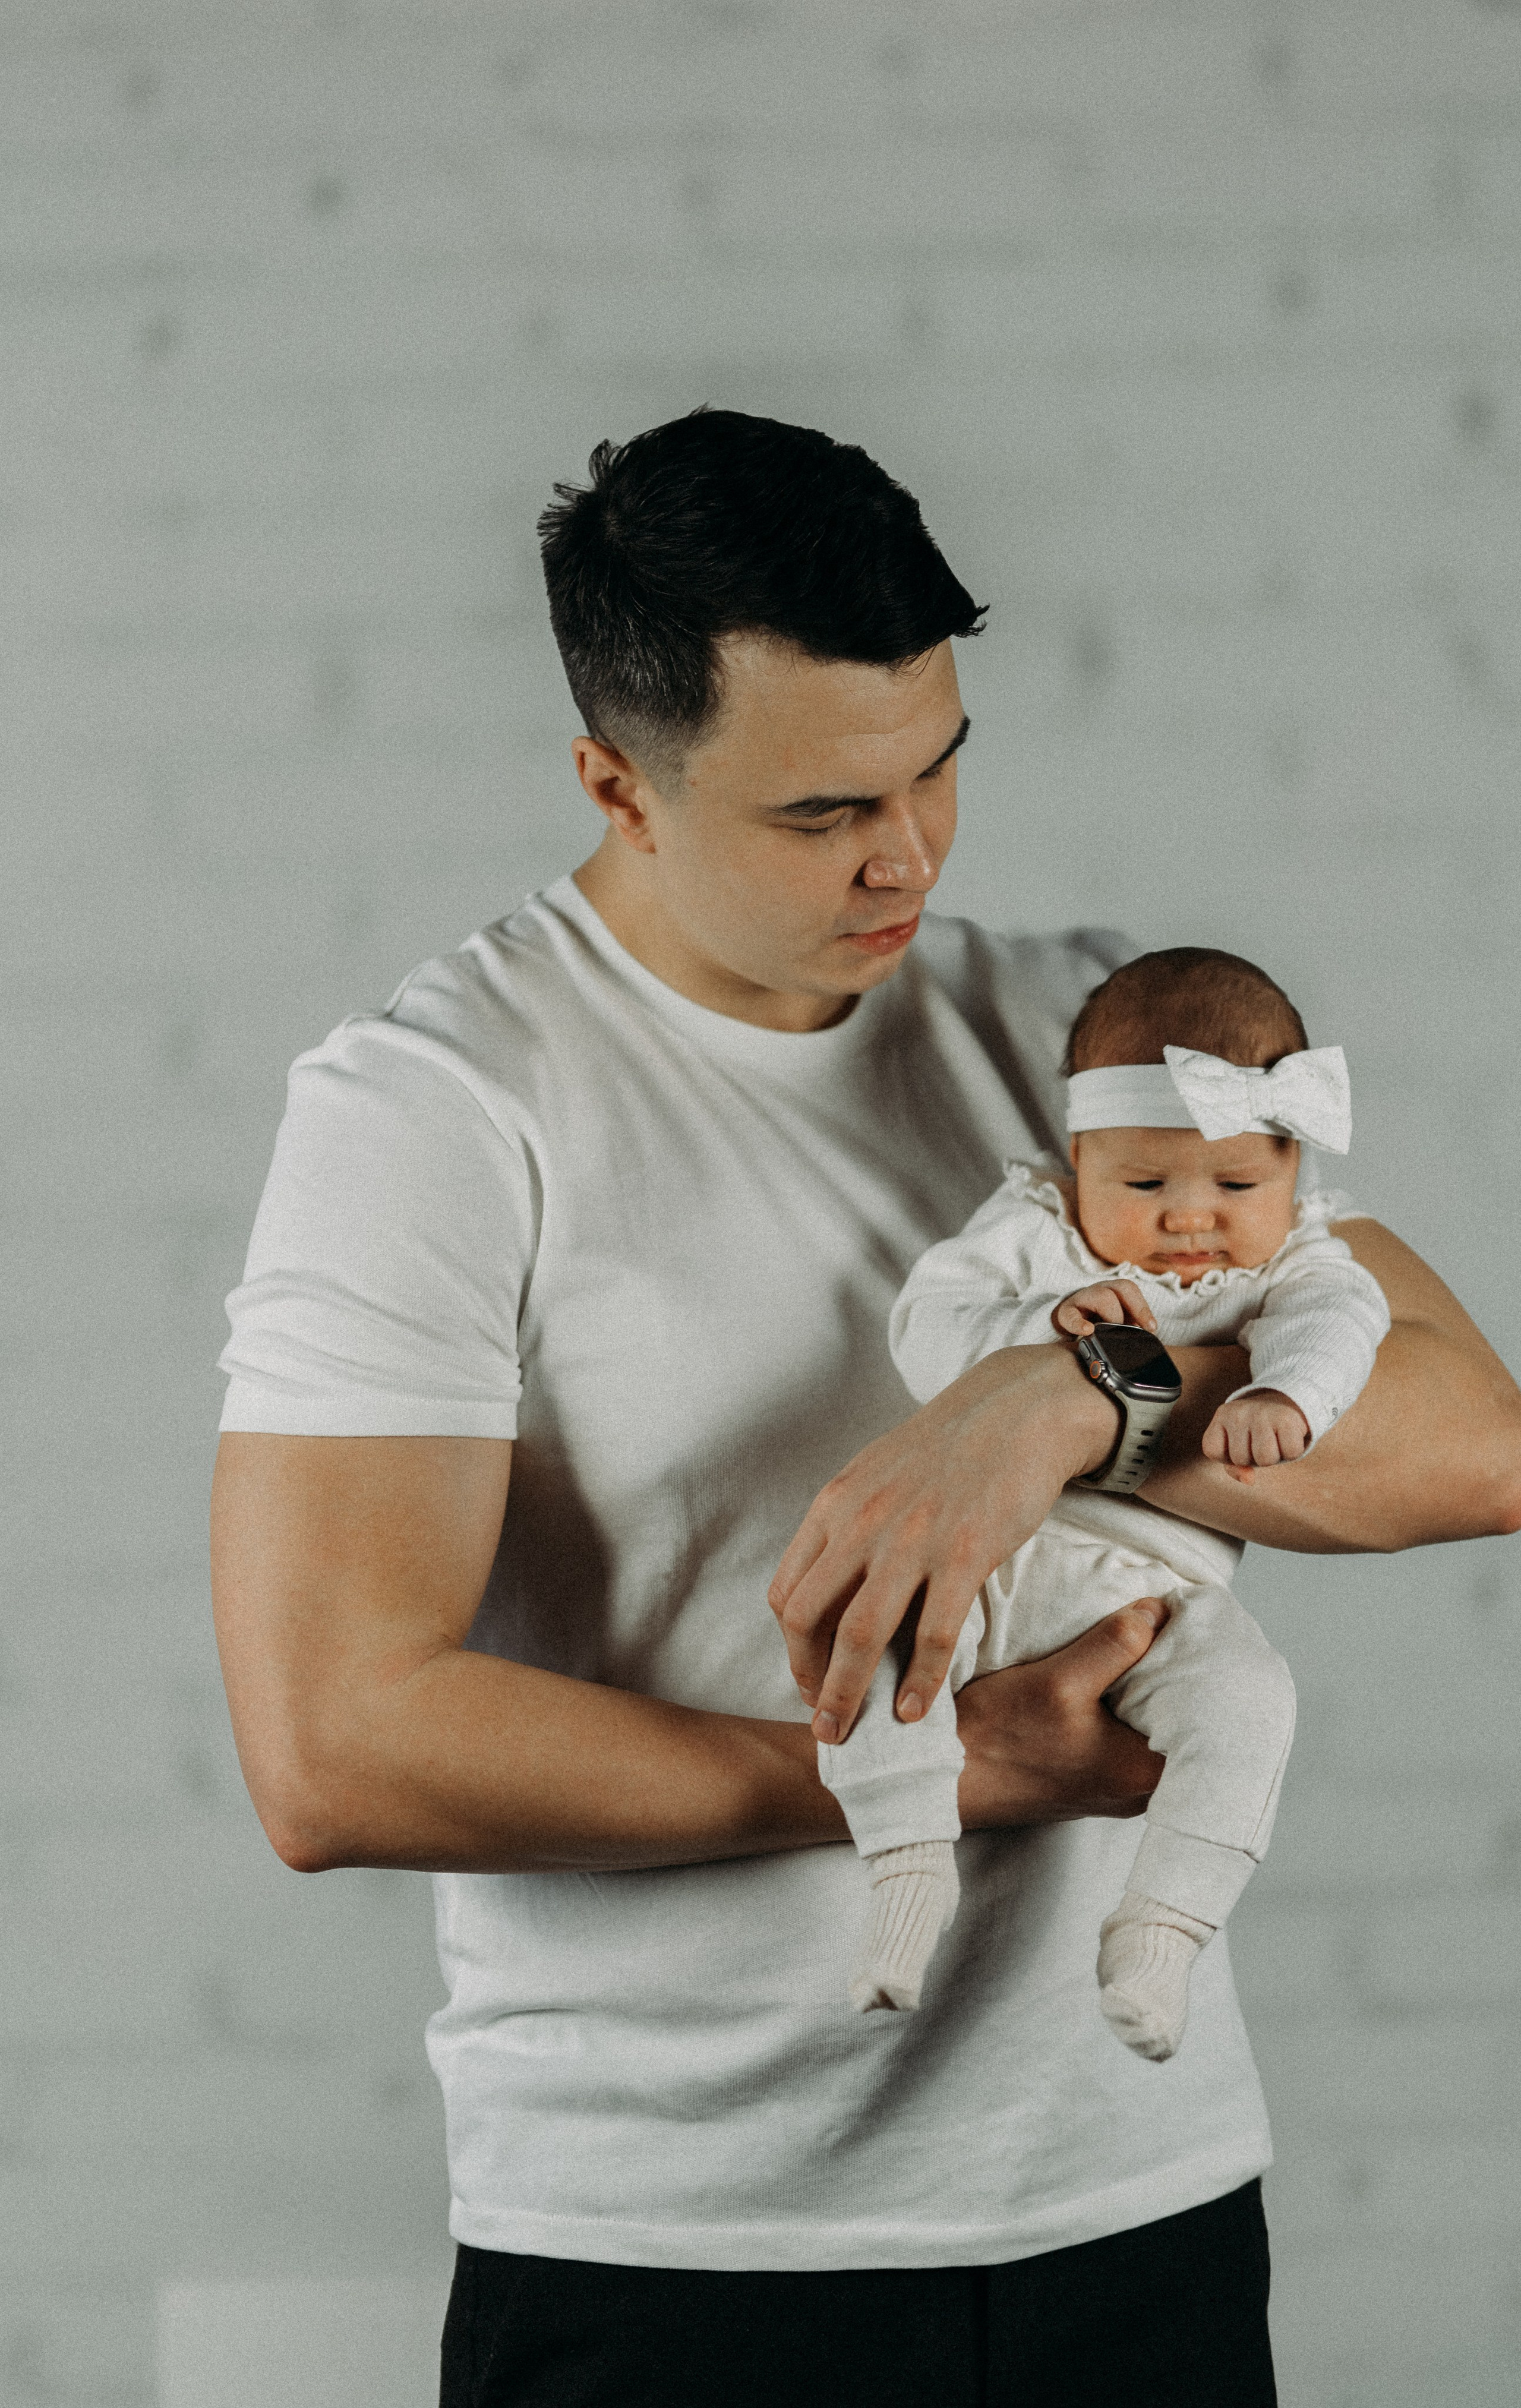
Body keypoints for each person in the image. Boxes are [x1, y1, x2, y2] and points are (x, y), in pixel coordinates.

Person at [209, 409, 1521, 2408]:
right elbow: (339, 1747)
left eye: (940, 770)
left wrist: (1070, 1399)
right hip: (679, 2251)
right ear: (614, 785)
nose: (906, 855)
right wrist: (957, 1765)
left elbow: (1473, 1438)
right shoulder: (433, 1109)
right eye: (823, 812)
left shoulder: (1077, 1034)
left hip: (1132, 2210)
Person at [822, 948, 1390, 2057]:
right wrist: (1044, 1321)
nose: (1191, 1220)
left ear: (1290, 1169)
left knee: (1252, 1702)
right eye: (1144, 1186)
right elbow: (928, 1325)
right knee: (881, 1640)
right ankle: (905, 1872)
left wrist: (1287, 1393)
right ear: (1077, 1163)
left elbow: (1344, 1323)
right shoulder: (1040, 1234)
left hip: (1164, 1598)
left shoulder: (1293, 1265)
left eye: (1236, 1186)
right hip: (998, 1554)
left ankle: (1161, 1929)